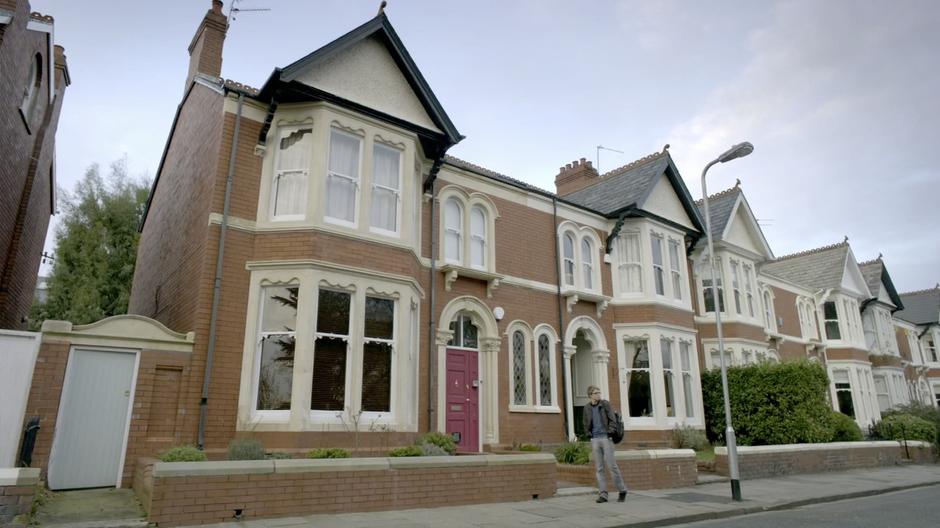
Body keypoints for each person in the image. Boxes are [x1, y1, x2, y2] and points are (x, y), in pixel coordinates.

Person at [582, 385, 627, 503]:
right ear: (590, 395)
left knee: (612, 466)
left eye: (599, 392)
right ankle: (603, 494)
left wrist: (609, 433)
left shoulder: (605, 404)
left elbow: (612, 420)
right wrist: (589, 434)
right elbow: (585, 422)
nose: (598, 395)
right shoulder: (586, 408)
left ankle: (622, 490)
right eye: (596, 393)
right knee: (599, 468)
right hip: (595, 439)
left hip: (606, 439)